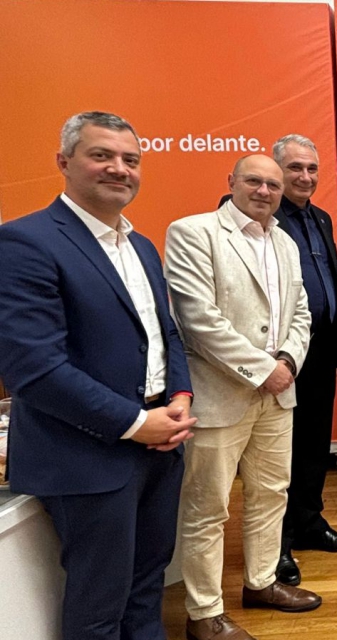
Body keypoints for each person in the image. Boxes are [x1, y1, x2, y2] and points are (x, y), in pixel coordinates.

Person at [0, 111, 196, 640]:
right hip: (85, 457)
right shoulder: (24, 243)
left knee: (147, 587)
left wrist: (179, 395)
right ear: (64, 162)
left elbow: (165, 334)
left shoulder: (141, 246)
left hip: (160, 448)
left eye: (131, 159)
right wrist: (137, 423)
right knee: (99, 606)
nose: (119, 169)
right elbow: (34, 370)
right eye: (101, 155)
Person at [167, 154, 319, 640]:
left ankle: (262, 582)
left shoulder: (285, 242)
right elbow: (198, 320)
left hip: (278, 394)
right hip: (220, 395)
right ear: (231, 182)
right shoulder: (194, 233)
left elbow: (301, 313)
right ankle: (204, 613)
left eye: (273, 185)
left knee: (271, 494)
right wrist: (263, 370)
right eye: (254, 181)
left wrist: (288, 362)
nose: (264, 191)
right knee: (207, 508)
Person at [269, 135, 337, 587]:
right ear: (276, 171)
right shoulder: (262, 214)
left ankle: (308, 522)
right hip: (280, 354)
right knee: (278, 453)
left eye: (312, 169)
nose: (305, 177)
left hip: (320, 348)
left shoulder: (320, 217)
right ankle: (277, 544)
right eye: (295, 168)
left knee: (313, 445)